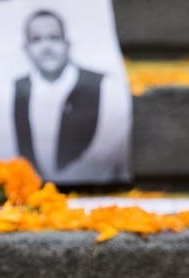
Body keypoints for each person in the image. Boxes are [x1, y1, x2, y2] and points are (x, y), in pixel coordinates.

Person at [13, 9, 132, 185]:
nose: (46, 47)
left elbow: (111, 144)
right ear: (26, 48)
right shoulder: (15, 89)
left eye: (54, 37)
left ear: (67, 43)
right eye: (36, 39)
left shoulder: (104, 84)